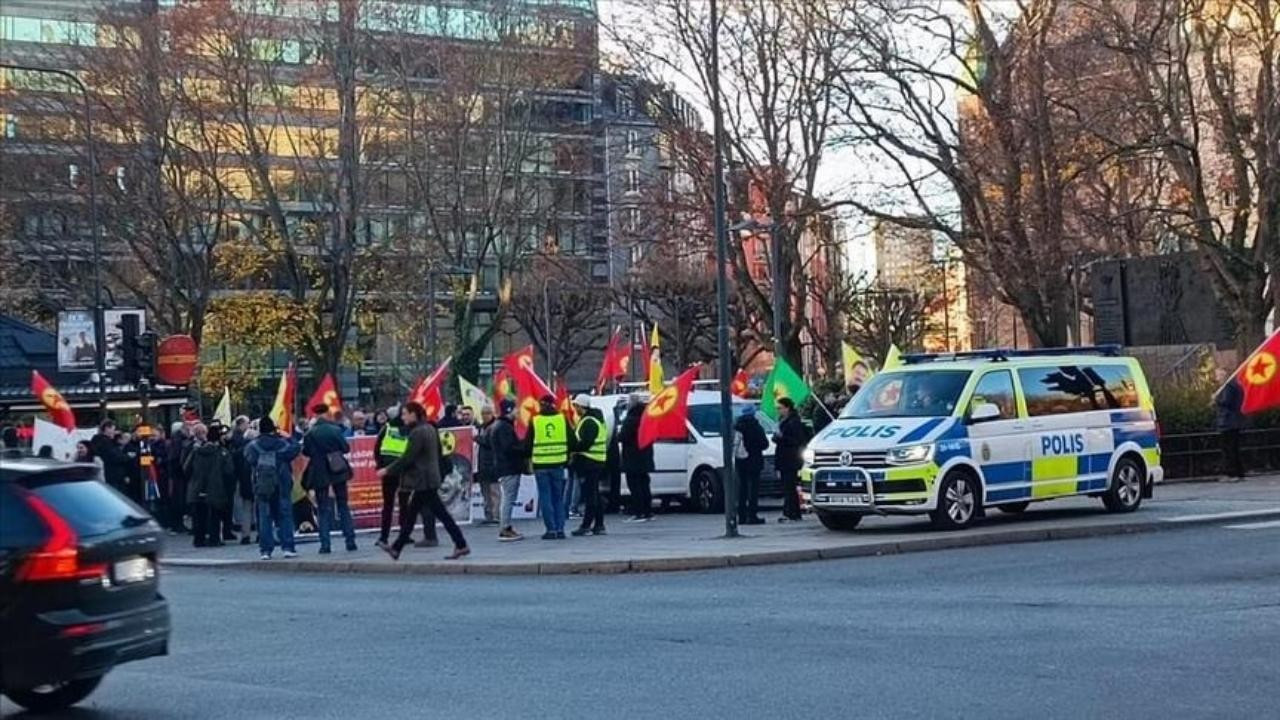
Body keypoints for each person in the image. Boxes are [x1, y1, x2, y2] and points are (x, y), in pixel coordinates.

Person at [378, 401, 469, 560]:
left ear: (413, 414)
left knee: (435, 514)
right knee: (417, 514)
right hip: (428, 478)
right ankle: (397, 547)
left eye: (405, 414)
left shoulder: (418, 432)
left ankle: (461, 544)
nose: (403, 417)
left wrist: (387, 470)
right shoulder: (429, 428)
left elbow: (408, 457)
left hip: (423, 480)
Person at [374, 406, 437, 548]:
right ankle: (405, 535)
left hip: (389, 471)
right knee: (404, 505)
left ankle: (383, 537)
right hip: (405, 471)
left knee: (388, 505)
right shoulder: (412, 429)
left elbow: (377, 448)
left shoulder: (388, 427)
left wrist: (380, 465)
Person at [303, 404, 358, 554]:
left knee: (322, 508)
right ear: (327, 413)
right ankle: (350, 540)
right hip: (338, 469)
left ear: (315, 415)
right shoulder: (335, 430)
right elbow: (346, 448)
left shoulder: (310, 433)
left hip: (319, 472)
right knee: (343, 505)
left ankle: (325, 544)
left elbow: (306, 452)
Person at [244, 416, 300, 560]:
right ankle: (288, 547)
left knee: (264, 518)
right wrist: (288, 437)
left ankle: (265, 550)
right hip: (282, 484)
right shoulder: (282, 444)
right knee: (285, 515)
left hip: (262, 485)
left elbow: (248, 458)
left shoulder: (253, 446)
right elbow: (295, 449)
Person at [528, 394, 570, 540]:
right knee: (558, 498)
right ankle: (560, 529)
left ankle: (550, 529)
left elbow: (528, 444)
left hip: (541, 465)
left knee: (545, 497)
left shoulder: (535, 420)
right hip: (558, 463)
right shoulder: (562, 419)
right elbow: (572, 440)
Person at [185, 423, 234, 547]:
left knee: (199, 515)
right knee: (215, 515)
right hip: (215, 487)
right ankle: (214, 538)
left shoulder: (196, 452)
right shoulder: (221, 452)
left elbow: (186, 468)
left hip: (197, 487)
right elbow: (229, 470)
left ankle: (199, 539)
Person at [569, 395, 608, 536]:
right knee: (594, 494)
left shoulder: (589, 422)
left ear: (581, 406)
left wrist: (573, 448)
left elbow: (586, 443)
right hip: (596, 461)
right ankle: (599, 525)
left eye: (576, 406)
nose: (575, 409)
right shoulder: (595, 420)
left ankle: (586, 525)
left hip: (590, 462)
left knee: (590, 496)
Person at [491, 399, 525, 541]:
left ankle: (506, 526)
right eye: (516, 409)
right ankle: (505, 527)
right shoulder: (504, 427)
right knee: (508, 498)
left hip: (504, 466)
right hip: (508, 467)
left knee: (508, 497)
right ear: (509, 410)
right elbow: (509, 448)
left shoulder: (499, 425)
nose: (518, 412)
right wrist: (524, 448)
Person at [618, 394, 654, 522]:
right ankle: (648, 512)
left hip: (633, 458)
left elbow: (622, 436)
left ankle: (639, 512)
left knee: (634, 486)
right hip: (645, 456)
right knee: (645, 485)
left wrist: (618, 435)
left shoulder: (631, 419)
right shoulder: (646, 417)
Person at [774, 397, 809, 522]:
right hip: (784, 457)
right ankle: (790, 512)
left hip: (790, 458)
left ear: (787, 408)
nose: (779, 411)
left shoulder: (793, 421)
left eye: (780, 408)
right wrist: (777, 437)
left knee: (789, 486)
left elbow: (797, 440)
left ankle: (791, 513)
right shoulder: (783, 421)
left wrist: (781, 437)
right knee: (787, 486)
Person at [734, 406, 769, 525]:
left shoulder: (737, 426)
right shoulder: (755, 426)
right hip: (754, 460)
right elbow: (764, 444)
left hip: (740, 461)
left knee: (742, 488)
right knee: (753, 489)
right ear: (753, 413)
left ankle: (741, 516)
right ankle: (752, 515)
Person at [1214, 367, 1246, 482]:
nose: (1216, 378)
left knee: (1228, 449)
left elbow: (1226, 402)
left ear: (1224, 375)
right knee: (1234, 449)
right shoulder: (1235, 385)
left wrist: (1216, 399)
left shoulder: (1228, 387)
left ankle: (1232, 473)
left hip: (1228, 422)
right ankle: (1239, 472)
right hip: (1234, 421)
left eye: (1218, 375)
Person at [229, 416, 254, 544]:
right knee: (257, 507)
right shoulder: (247, 447)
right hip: (252, 480)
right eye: (247, 423)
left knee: (246, 507)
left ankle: (246, 534)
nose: (248, 425)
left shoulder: (235, 443)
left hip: (244, 479)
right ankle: (258, 534)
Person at [474, 406, 500, 525]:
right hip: (482, 465)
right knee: (485, 493)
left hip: (493, 464)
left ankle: (496, 515)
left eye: (487, 413)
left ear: (492, 414)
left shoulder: (495, 427)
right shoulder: (481, 428)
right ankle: (488, 514)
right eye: (483, 413)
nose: (484, 416)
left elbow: (489, 442)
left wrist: (477, 438)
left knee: (494, 492)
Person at [91, 419, 129, 495]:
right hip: (112, 476)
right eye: (113, 429)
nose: (114, 432)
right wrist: (127, 457)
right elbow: (115, 457)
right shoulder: (105, 442)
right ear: (107, 428)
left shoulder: (99, 441)